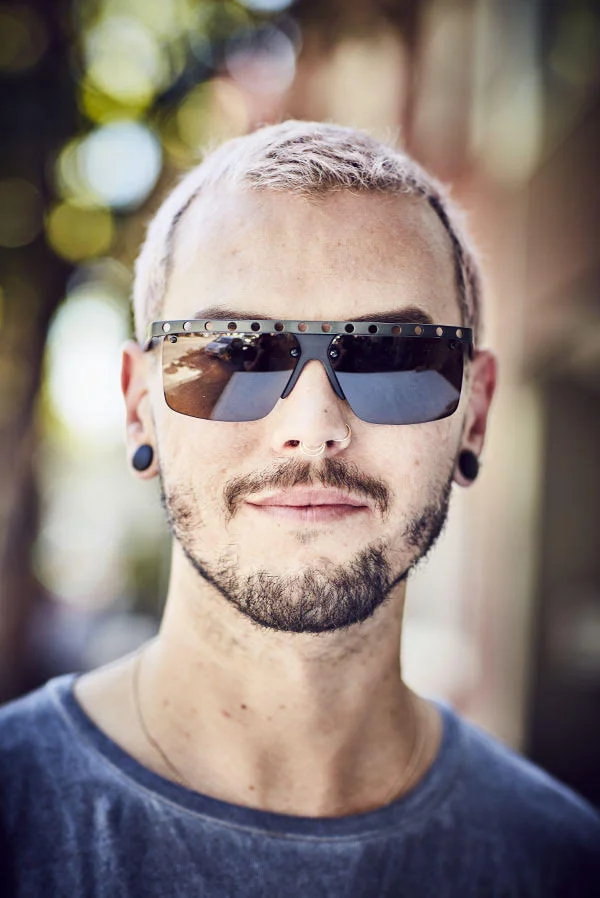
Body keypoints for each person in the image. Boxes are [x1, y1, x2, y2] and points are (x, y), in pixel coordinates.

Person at [0, 120, 598, 898]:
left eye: (392, 356)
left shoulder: (567, 864)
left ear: (474, 414)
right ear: (139, 409)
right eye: (233, 354)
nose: (313, 426)